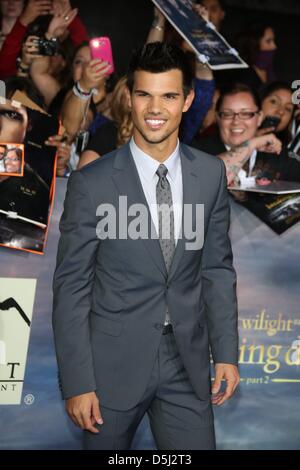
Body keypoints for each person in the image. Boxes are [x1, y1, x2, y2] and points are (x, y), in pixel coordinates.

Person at [52, 42, 239, 451]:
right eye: (144, 94)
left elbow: (216, 270)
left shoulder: (210, 175)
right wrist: (79, 381)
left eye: (169, 95)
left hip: (186, 365)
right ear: (130, 98)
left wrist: (225, 352)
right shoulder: (93, 183)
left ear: (187, 100)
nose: (156, 108)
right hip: (110, 368)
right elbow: (72, 287)